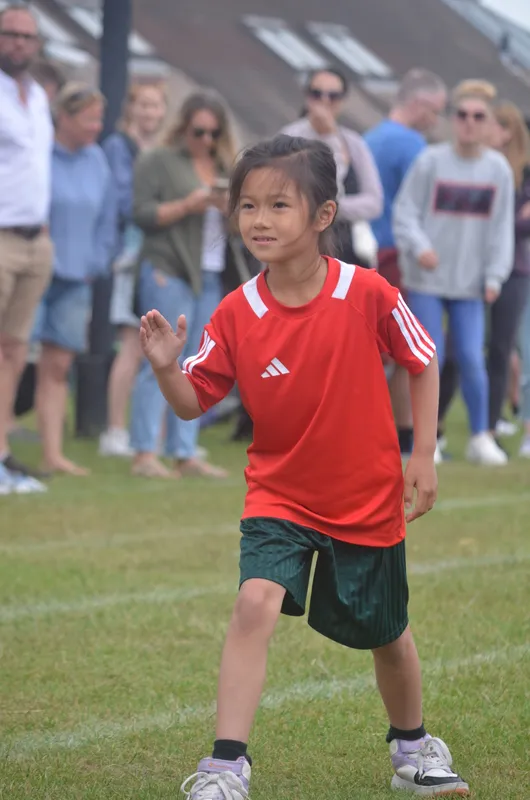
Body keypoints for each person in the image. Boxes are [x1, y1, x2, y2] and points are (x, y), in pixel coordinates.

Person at [140, 134, 469, 798]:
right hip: (278, 496)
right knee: (253, 604)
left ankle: (412, 749)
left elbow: (423, 359)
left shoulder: (367, 290)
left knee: (388, 634)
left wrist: (423, 456)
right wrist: (168, 369)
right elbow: (190, 404)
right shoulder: (236, 312)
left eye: (279, 205)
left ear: (323, 216)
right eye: (247, 205)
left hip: (365, 496)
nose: (259, 220)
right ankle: (226, 765)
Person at [130, 92, 250, 479]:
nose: (206, 140)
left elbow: (237, 228)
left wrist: (226, 207)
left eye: (214, 133)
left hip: (210, 274)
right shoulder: (158, 161)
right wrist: (188, 204)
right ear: (183, 127)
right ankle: (144, 452)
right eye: (199, 131)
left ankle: (184, 452)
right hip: (168, 268)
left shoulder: (221, 165)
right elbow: (142, 214)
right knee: (159, 360)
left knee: (198, 363)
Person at [393, 80, 514, 466]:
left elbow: (501, 229)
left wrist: (495, 276)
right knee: (431, 357)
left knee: (470, 357)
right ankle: (428, 441)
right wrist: (419, 246)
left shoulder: (497, 170)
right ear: (452, 120)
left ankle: (481, 436)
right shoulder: (430, 160)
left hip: (470, 283)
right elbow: (405, 212)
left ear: (488, 122)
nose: (469, 123)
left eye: (478, 117)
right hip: (427, 279)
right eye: (462, 115)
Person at [32, 83, 117, 476]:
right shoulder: (37, 155)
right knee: (9, 359)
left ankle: (52, 454)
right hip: (33, 270)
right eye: (90, 118)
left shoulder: (98, 160)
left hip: (76, 278)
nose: (97, 127)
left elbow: (107, 219)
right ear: (64, 118)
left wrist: (95, 262)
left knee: (58, 367)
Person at [437, 101, 530, 448]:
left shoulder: (522, 173)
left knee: (500, 351)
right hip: (469, 269)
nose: (477, 127)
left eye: (486, 121)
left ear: (506, 132)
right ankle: (436, 427)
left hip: (513, 272)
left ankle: (488, 430)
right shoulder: (471, 168)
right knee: (457, 351)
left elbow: (519, 224)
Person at [365, 69, 447, 459]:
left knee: (372, 348)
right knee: (405, 349)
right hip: (400, 256)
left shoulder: (371, 137)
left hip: (366, 252)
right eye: (436, 111)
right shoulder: (413, 145)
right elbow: (428, 205)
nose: (436, 121)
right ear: (419, 104)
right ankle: (403, 435)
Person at [0, 3, 54, 494]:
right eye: (10, 34)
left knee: (14, 349)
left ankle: (1, 454)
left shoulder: (37, 96)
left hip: (36, 240)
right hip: (0, 237)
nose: (18, 43)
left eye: (26, 36)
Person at [99, 82, 168, 458]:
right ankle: (114, 431)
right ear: (131, 108)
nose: (149, 112)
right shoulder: (118, 147)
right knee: (130, 344)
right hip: (129, 257)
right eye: (143, 104)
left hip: (155, 258)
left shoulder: (156, 150)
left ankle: (150, 432)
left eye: (155, 105)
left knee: (151, 348)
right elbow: (125, 202)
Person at [281, 67, 382, 268]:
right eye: (317, 94)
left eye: (333, 96)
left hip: (344, 250)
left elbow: (374, 202)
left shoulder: (353, 142)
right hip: (298, 246)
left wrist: (331, 208)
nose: (324, 101)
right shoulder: (288, 138)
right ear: (307, 96)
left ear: (342, 100)